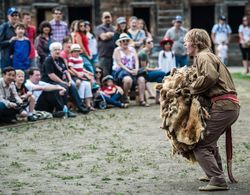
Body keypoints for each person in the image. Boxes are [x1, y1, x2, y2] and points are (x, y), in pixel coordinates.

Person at [184, 28, 240, 191]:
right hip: (227, 106)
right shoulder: (210, 55)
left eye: (186, 42)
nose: (185, 45)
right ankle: (215, 173)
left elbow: (210, 76)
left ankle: (217, 179)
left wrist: (191, 88)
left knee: (200, 144)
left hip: (224, 106)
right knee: (210, 141)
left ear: (195, 43)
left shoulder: (203, 56)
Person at [41, 42, 89, 114]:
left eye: (58, 49)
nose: (57, 51)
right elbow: (51, 75)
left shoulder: (61, 59)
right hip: (49, 81)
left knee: (72, 86)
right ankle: (65, 109)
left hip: (60, 81)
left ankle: (81, 107)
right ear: (51, 51)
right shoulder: (48, 60)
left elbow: (66, 71)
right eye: (55, 50)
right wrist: (63, 82)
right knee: (64, 87)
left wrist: (69, 80)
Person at [112, 33, 147, 106]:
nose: (125, 42)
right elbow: (119, 63)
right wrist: (129, 71)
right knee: (128, 79)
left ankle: (141, 100)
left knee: (141, 79)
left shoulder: (132, 49)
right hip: (120, 71)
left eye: (127, 40)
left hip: (132, 70)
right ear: (120, 42)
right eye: (123, 40)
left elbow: (136, 60)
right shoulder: (117, 50)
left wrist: (136, 69)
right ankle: (125, 97)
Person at [67, 44, 95, 111]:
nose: (77, 53)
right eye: (75, 51)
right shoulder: (71, 59)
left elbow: (82, 68)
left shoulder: (80, 58)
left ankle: (88, 104)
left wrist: (87, 72)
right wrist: (77, 74)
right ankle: (79, 103)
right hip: (75, 76)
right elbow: (71, 68)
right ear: (72, 52)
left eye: (78, 51)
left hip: (81, 75)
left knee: (88, 84)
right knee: (80, 84)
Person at [138, 37, 166, 103]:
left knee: (159, 79)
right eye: (148, 42)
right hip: (143, 75)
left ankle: (157, 99)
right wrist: (154, 69)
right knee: (162, 73)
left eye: (151, 41)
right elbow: (143, 69)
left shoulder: (147, 52)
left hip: (146, 73)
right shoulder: (143, 53)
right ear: (145, 44)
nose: (151, 43)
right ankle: (162, 96)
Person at [95, 11, 115, 76]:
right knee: (105, 76)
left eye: (108, 17)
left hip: (114, 56)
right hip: (104, 56)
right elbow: (103, 37)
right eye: (105, 17)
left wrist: (108, 34)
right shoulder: (99, 28)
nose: (107, 19)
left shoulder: (113, 28)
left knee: (113, 76)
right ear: (102, 19)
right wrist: (113, 34)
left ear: (111, 18)